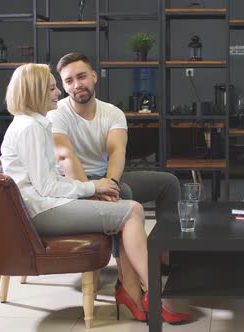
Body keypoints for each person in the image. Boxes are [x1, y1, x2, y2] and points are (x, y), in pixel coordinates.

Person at [0, 63, 190, 324]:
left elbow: (52, 178)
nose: (59, 92)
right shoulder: (30, 128)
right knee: (131, 210)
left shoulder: (35, 124)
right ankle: (154, 296)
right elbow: (47, 187)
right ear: (35, 91)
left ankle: (134, 294)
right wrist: (92, 187)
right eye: (53, 87)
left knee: (127, 207)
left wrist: (96, 187)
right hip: (41, 211)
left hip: (46, 204)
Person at [45, 52, 180, 281]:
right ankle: (126, 275)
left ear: (94, 77)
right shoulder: (56, 113)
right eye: (69, 81)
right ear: (63, 85)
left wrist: (111, 184)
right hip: (72, 184)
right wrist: (91, 189)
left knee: (168, 183)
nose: (77, 85)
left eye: (82, 76)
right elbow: (65, 157)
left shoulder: (112, 113)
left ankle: (166, 260)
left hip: (105, 176)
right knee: (124, 195)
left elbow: (117, 151)